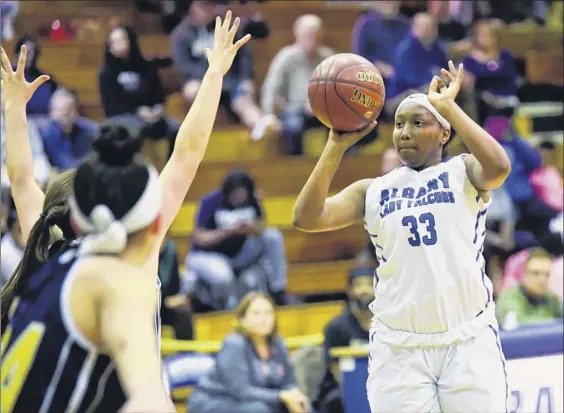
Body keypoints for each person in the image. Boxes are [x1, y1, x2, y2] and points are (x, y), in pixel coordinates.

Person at [0, 10, 250, 321]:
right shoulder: (136, 251)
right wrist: (214, 74)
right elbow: (187, 154)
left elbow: (22, 179)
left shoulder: (46, 254)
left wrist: (13, 108)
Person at [293, 61, 512, 412]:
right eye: (398, 124)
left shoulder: (463, 171)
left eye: (417, 122)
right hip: (399, 348)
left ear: (444, 133)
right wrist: (335, 145)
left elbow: (500, 167)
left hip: (467, 340)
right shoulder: (373, 190)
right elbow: (305, 217)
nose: (404, 132)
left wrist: (447, 107)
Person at [0, 125, 175, 413]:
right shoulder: (113, 282)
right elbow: (150, 402)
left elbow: (20, 179)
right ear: (155, 225)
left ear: (78, 223)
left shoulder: (51, 264)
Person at [188, 292, 310, 413]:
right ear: (243, 319)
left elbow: (288, 382)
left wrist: (293, 396)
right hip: (216, 401)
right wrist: (281, 396)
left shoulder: (278, 343)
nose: (264, 319)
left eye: (268, 313)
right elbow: (241, 391)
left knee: (300, 402)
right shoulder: (234, 344)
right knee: (259, 410)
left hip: (256, 401)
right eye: (256, 314)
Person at [315, 267, 373, 413]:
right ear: (350, 291)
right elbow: (334, 368)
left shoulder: (388, 324)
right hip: (343, 387)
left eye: (370, 285)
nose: (364, 290)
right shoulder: (336, 327)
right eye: (358, 285)